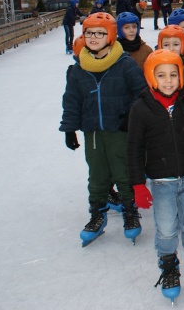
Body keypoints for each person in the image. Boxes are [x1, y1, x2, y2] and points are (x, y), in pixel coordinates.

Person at [127, 50, 184, 303]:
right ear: (151, 77)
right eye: (161, 75)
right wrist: (138, 184)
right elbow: (133, 149)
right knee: (166, 230)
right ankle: (169, 268)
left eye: (173, 74)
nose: (168, 80)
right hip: (161, 182)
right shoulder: (140, 109)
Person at [59, 12, 147, 247]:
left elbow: (141, 92)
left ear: (110, 36)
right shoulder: (79, 69)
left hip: (119, 130)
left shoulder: (125, 64)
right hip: (93, 132)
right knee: (97, 175)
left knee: (123, 172)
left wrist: (130, 115)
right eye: (89, 33)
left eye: (100, 33)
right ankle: (97, 214)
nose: (94, 37)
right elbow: (71, 100)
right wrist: (69, 129)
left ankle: (130, 211)